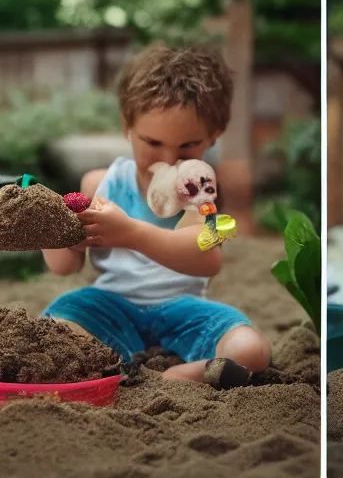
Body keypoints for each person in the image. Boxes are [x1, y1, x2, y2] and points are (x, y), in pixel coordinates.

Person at [40, 43, 271, 386]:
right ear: (127, 128)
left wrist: (130, 234)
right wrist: (53, 228)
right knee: (55, 331)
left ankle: (184, 375)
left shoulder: (200, 188)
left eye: (188, 146)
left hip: (183, 308)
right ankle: (111, 362)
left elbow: (207, 261)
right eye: (153, 142)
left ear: (213, 136)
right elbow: (65, 267)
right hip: (110, 302)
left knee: (251, 350)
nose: (169, 158)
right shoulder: (100, 182)